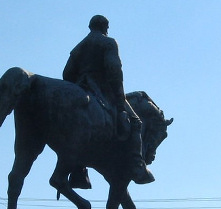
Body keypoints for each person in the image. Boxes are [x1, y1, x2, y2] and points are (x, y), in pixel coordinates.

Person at [63, 15, 154, 187]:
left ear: (90, 27)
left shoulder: (78, 47)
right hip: (102, 90)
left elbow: (67, 73)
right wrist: (120, 101)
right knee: (136, 123)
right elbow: (115, 71)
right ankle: (138, 168)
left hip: (81, 88)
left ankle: (78, 169)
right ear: (105, 27)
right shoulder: (108, 43)